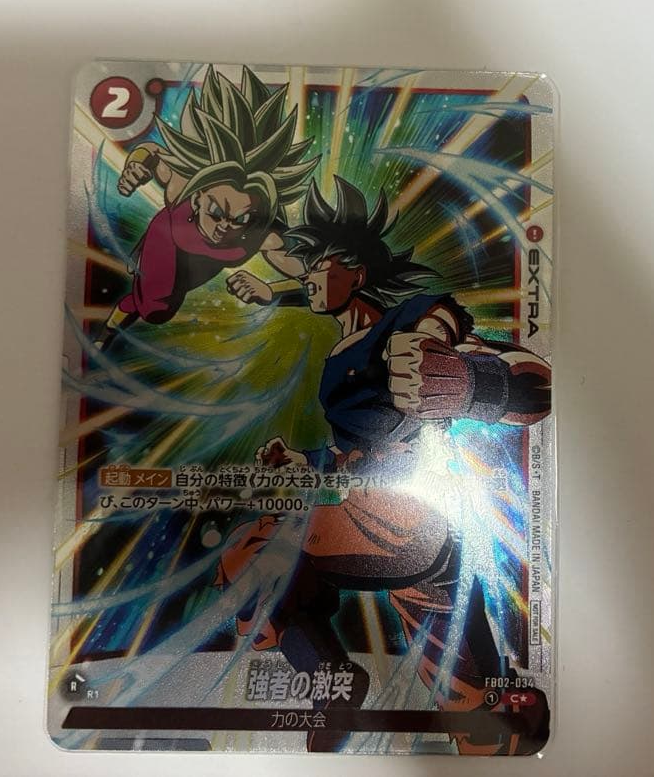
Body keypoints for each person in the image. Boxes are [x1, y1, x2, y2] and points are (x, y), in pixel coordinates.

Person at [217, 177, 552, 753]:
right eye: (305, 269)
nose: (307, 279)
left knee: (253, 555)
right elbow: (361, 451)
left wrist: (467, 382)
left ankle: (338, 685)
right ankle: (368, 692)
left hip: (402, 525)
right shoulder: (340, 353)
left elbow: (536, 385)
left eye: (318, 267)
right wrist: (305, 461)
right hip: (387, 521)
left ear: (356, 273)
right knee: (469, 703)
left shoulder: (407, 322)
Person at [97, 66, 317, 348]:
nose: (225, 227)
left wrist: (270, 291)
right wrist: (135, 166)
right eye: (216, 213)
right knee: (154, 309)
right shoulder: (181, 186)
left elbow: (314, 282)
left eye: (240, 219)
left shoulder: (265, 235)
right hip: (165, 243)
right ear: (198, 197)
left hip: (199, 267)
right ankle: (106, 334)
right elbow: (151, 152)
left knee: (160, 306)